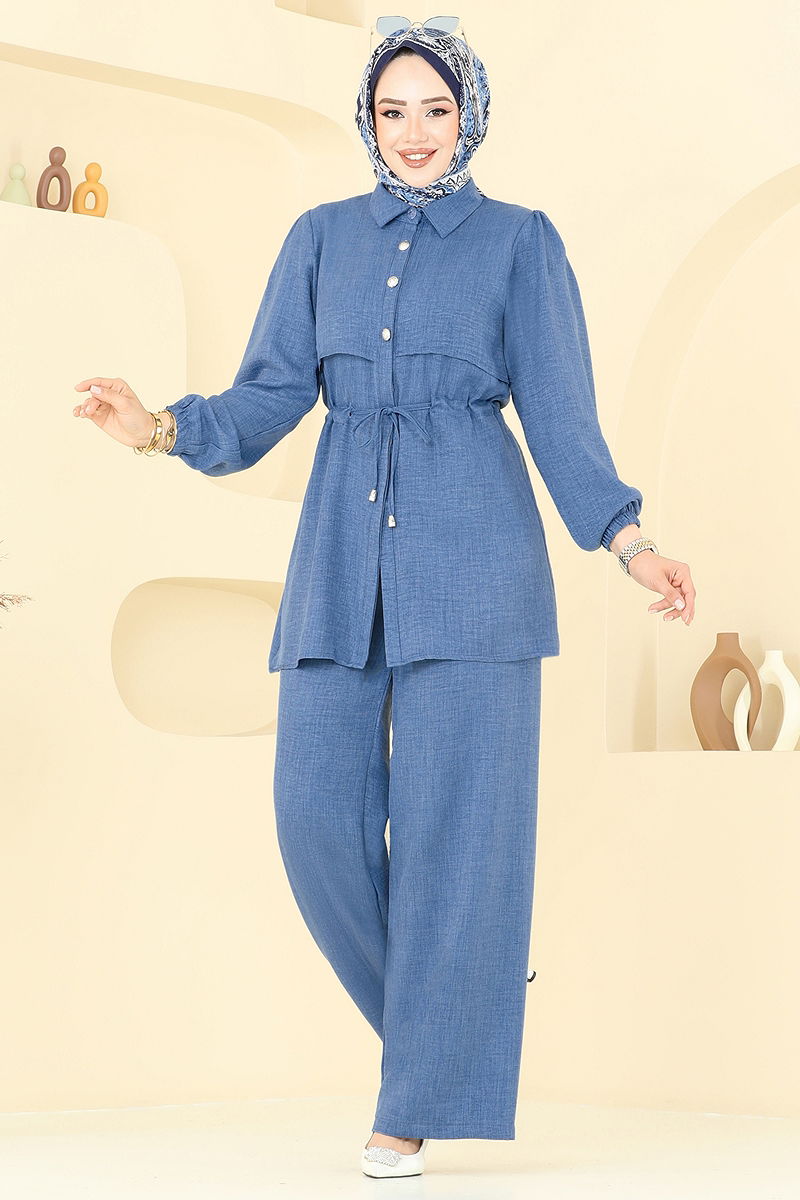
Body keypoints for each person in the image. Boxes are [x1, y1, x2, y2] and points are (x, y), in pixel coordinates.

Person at [73, 19, 696, 1180]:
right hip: (336, 564)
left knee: (461, 835)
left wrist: (629, 540)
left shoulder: (519, 243)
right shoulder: (318, 239)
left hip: (478, 569)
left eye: (435, 111)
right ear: (366, 119)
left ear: (469, 117)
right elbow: (266, 398)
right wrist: (156, 428)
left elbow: (560, 416)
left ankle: (409, 1099)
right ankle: (461, 994)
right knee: (313, 820)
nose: (412, 134)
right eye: (391, 111)